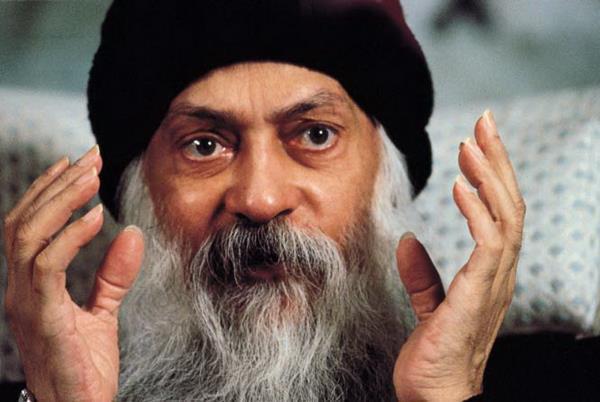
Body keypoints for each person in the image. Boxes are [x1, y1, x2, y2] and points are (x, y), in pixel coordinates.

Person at [2, 0, 529, 401]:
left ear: (385, 182)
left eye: (316, 135)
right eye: (203, 146)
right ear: (141, 195)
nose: (260, 199)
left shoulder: (551, 377)